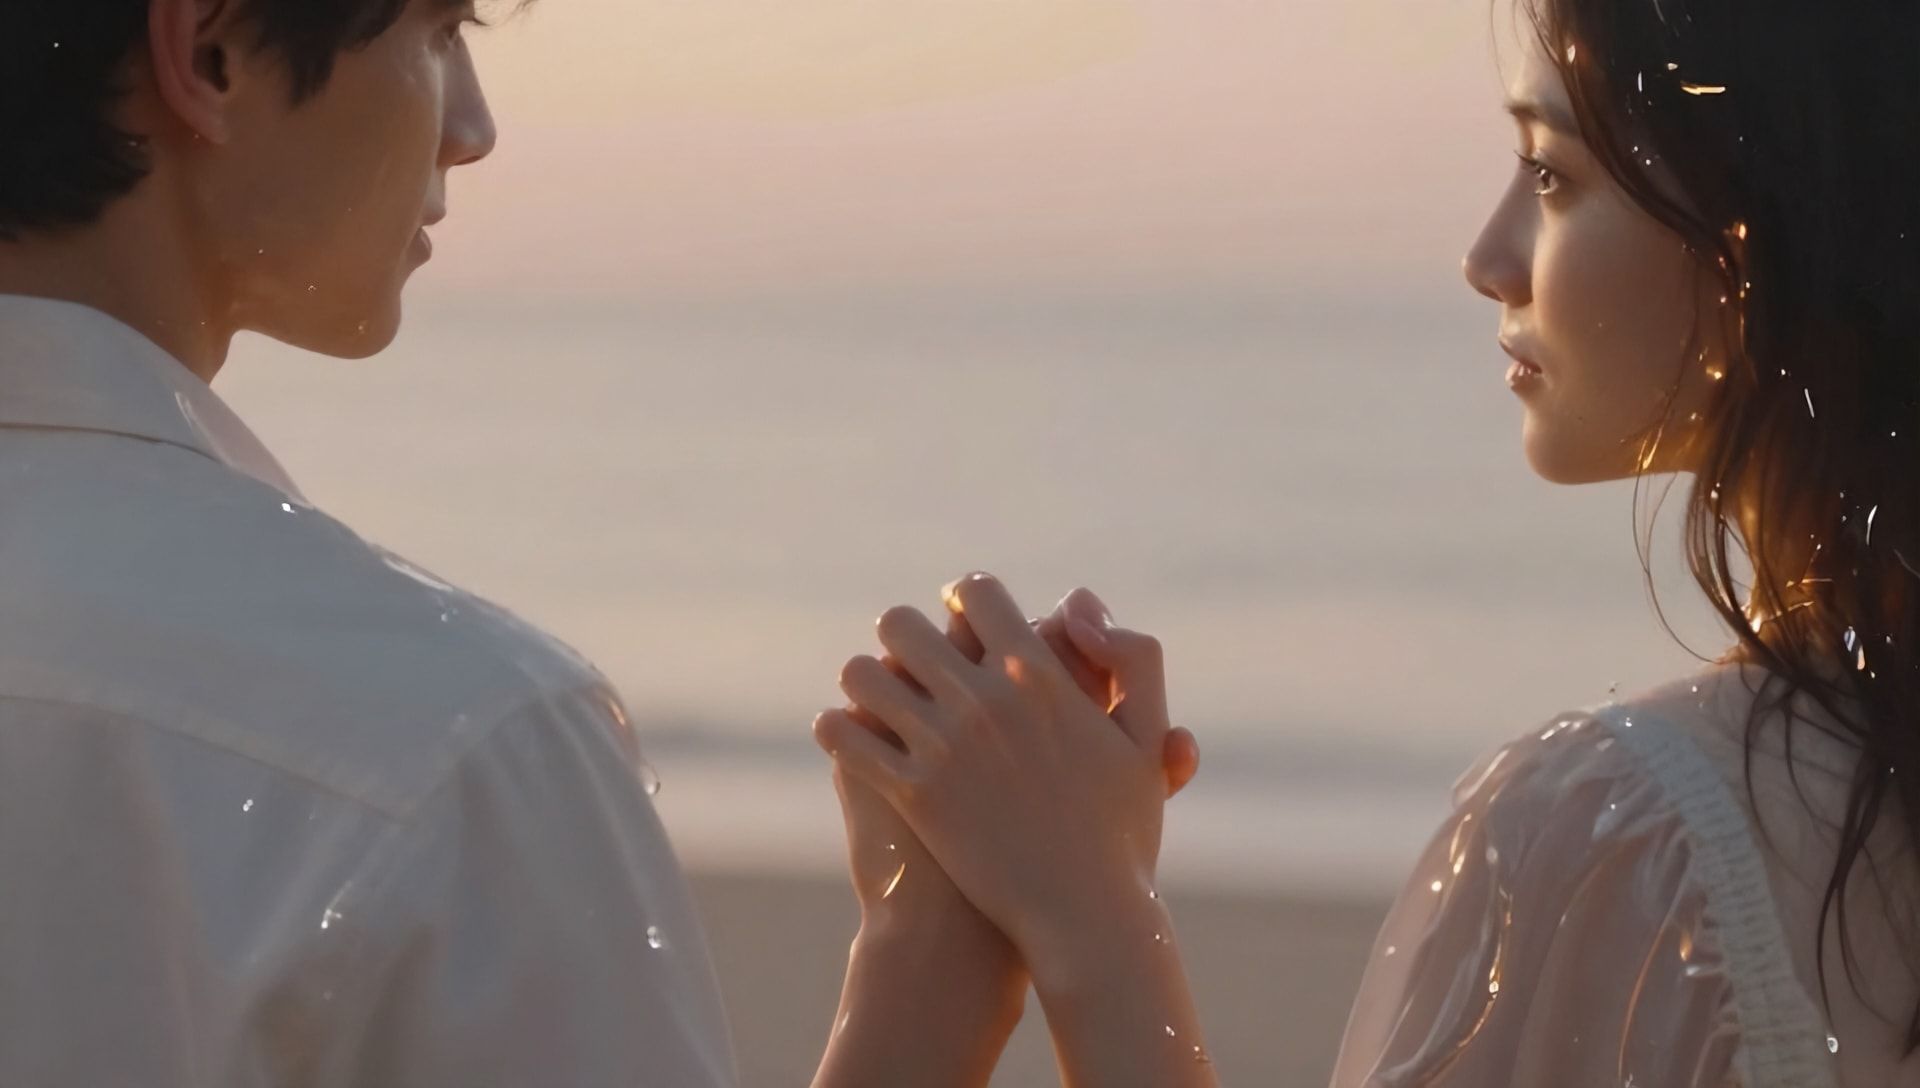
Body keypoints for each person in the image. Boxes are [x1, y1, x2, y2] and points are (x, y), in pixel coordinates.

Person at [0, 1, 1206, 1084]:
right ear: (211, 51)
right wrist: (1091, 931)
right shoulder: (451, 743)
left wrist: (923, 960)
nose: (472, 128)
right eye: (439, 31)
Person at [822, 0, 1920, 1084]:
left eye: (1551, 175)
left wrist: (1092, 924)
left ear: (1776, 219)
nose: (1488, 258)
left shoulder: (1628, 847)